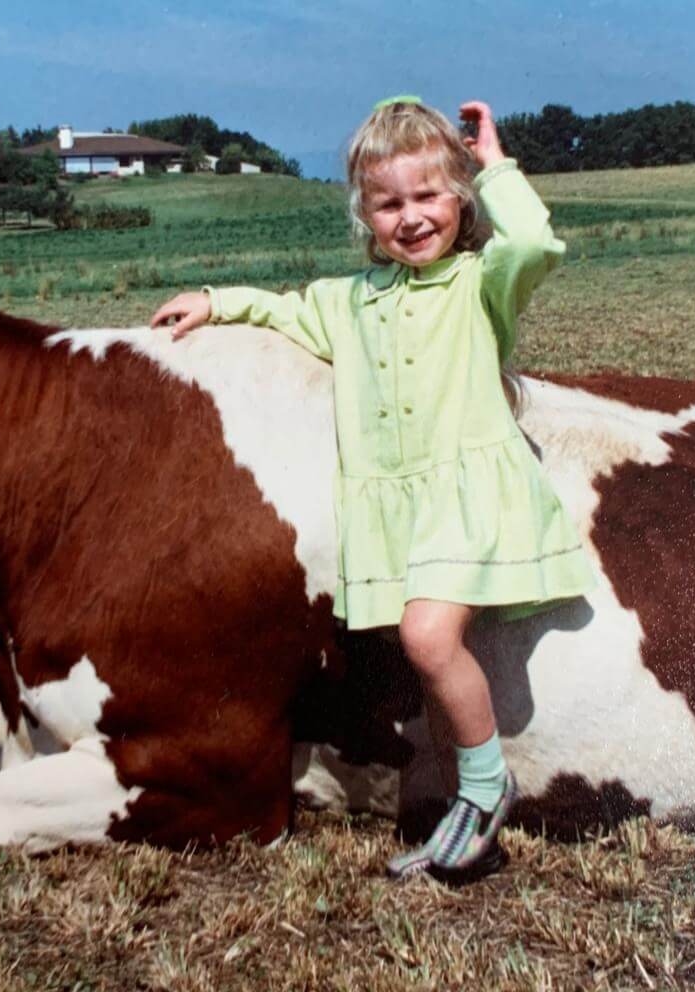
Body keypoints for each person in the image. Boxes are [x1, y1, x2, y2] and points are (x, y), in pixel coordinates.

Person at [151, 97, 593, 884]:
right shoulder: (346, 301)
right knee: (410, 647)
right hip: (393, 508)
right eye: (389, 203)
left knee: (427, 639)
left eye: (429, 196)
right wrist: (216, 302)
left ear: (460, 198)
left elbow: (533, 239)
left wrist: (495, 163)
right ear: (365, 215)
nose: (413, 218)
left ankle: (487, 792)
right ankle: (450, 785)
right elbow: (283, 310)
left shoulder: (480, 285)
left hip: (467, 495)